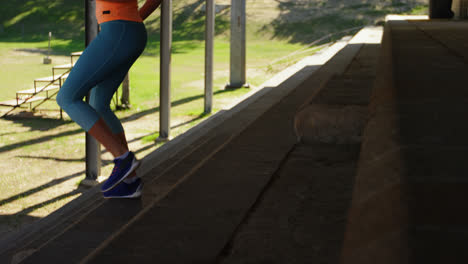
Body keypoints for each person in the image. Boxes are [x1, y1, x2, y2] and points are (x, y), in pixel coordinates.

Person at [57, 0, 162, 198]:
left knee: (67, 97)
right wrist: (135, 19)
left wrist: (130, 21)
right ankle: (129, 179)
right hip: (126, 30)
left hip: (118, 30)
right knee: (99, 103)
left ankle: (123, 159)